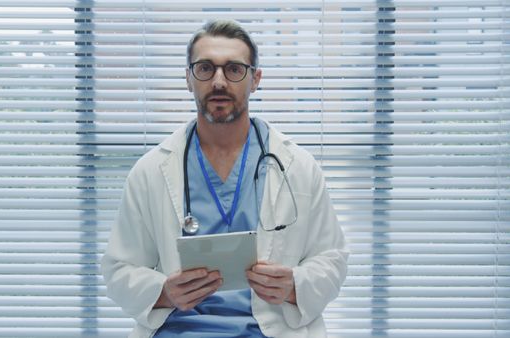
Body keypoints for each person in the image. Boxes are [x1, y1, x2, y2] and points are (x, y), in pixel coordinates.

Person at [102, 19, 348, 338]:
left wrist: (293, 286)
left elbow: (332, 260)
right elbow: (118, 269)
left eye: (234, 69)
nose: (219, 81)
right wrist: (164, 291)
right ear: (189, 79)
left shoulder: (298, 166)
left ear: (255, 79)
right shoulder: (150, 171)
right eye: (205, 68)